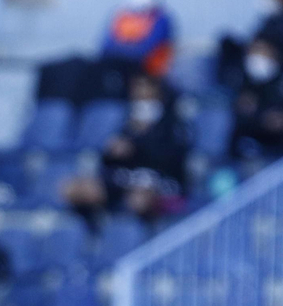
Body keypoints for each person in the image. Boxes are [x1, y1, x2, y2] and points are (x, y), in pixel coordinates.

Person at [61, 73, 192, 227]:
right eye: (136, 87)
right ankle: (93, 231)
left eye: (145, 87)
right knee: (74, 189)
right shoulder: (127, 120)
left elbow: (173, 158)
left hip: (158, 181)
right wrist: (112, 151)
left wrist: (137, 146)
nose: (139, 92)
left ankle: (140, 234)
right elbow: (110, 161)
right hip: (125, 177)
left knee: (137, 199)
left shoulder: (172, 123)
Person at [100, 0, 175, 81]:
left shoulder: (162, 19)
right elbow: (106, 45)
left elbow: (148, 49)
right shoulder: (122, 16)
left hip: (146, 71)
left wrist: (121, 50)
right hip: (117, 66)